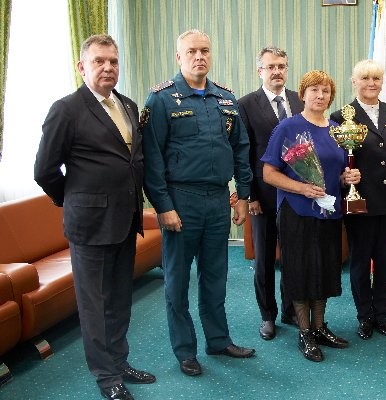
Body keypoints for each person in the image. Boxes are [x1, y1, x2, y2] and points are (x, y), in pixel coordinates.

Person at [34, 34, 155, 400]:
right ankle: (107, 378)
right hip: (90, 227)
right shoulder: (66, 109)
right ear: (82, 66)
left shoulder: (129, 105)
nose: (107, 68)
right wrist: (73, 199)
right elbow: (45, 170)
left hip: (125, 221)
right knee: (95, 305)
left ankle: (119, 362)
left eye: (113, 62)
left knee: (120, 300)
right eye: (99, 61)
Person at [141, 29, 254, 377]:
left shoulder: (225, 98)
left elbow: (241, 149)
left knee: (216, 276)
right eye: (191, 51)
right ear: (179, 57)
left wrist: (243, 195)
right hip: (180, 201)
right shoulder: (161, 100)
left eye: (205, 50)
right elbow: (152, 159)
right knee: (176, 280)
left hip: (219, 200)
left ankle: (218, 340)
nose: (199, 56)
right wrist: (163, 205)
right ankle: (185, 350)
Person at [262, 70, 361, 362]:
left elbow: (339, 172)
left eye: (326, 91)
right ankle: (304, 333)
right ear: (302, 94)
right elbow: (269, 173)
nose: (320, 95)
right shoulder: (288, 127)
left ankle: (320, 327)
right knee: (301, 270)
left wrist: (348, 178)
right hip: (297, 211)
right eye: (314, 90)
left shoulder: (336, 130)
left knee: (326, 270)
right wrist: (301, 188)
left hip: (329, 211)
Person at [330, 60, 386, 340]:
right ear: (354, 82)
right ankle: (364, 316)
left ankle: (381, 315)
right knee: (361, 262)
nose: (371, 83)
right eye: (365, 78)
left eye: (376, 78)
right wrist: (342, 179)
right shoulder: (341, 116)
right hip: (359, 201)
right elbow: (335, 160)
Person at [238, 45, 301, 340]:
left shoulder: (300, 101)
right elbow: (243, 153)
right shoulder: (246, 104)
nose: (277, 71)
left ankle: (291, 308)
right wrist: (249, 195)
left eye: (282, 66)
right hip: (262, 196)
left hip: (296, 195)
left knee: (293, 255)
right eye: (271, 66)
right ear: (259, 70)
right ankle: (268, 315)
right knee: (263, 258)